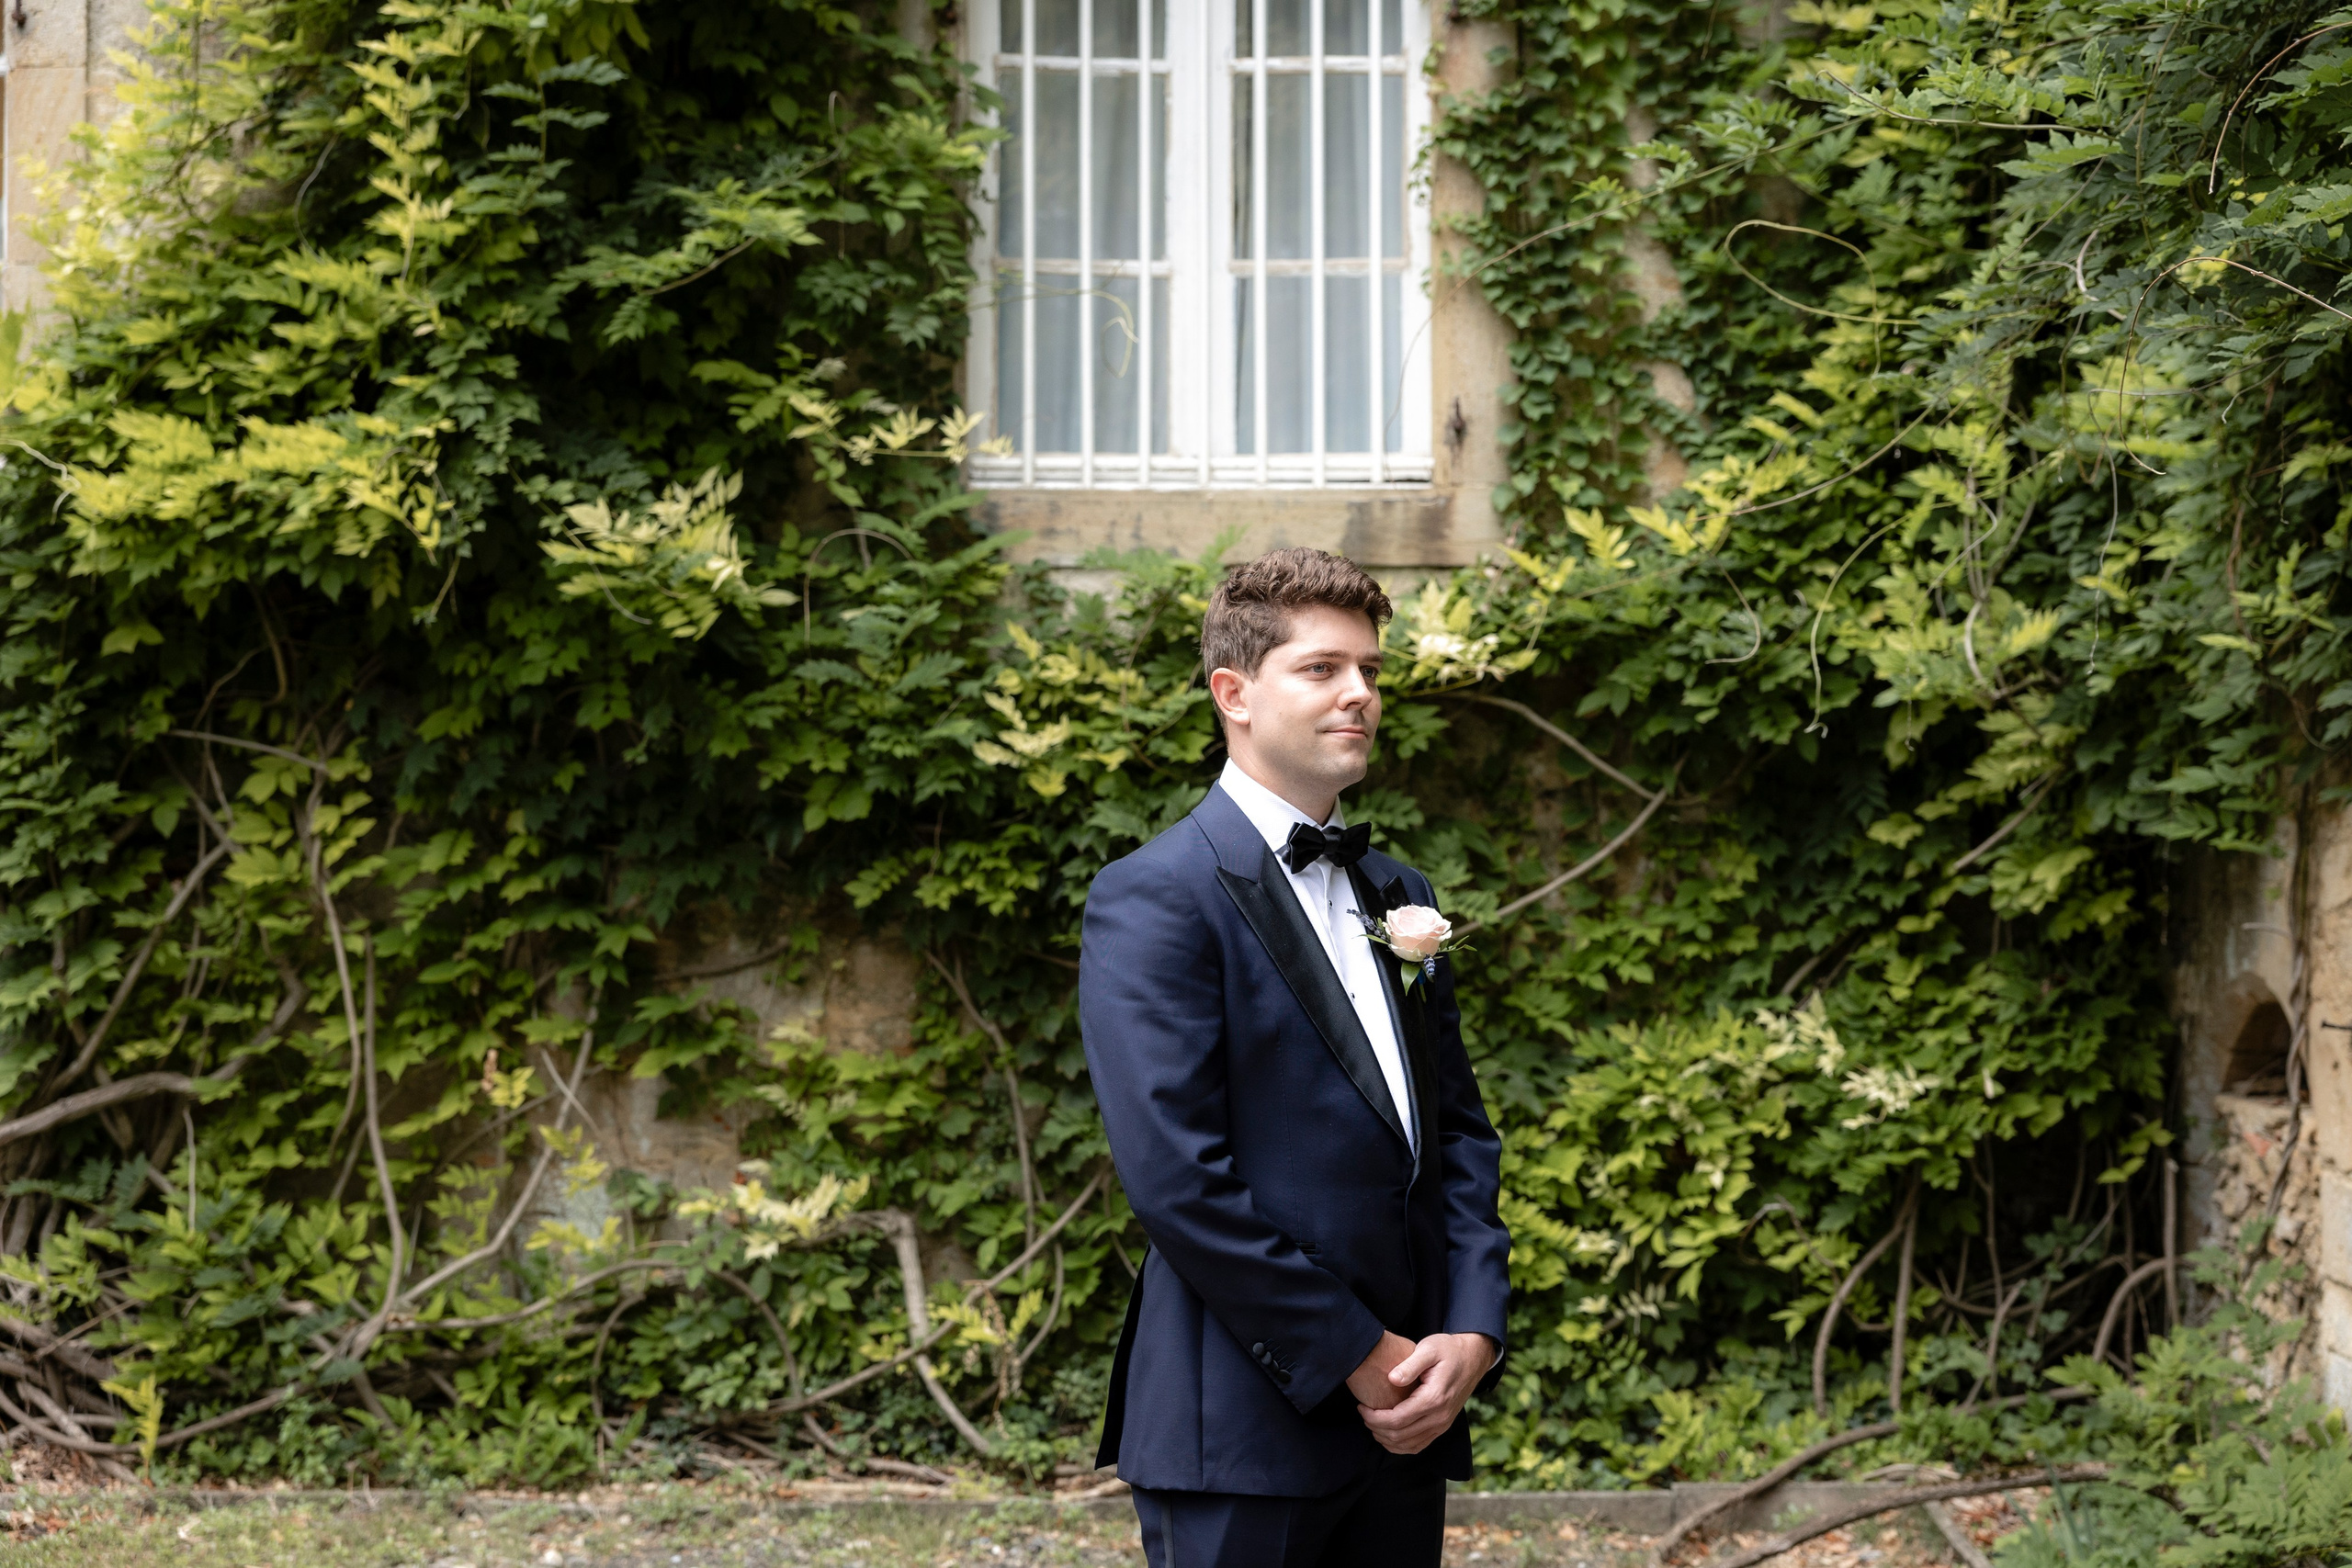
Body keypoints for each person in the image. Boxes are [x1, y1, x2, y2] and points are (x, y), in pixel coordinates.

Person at [1080, 547, 1512, 1568]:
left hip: (1408, 1421)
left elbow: (1454, 1133)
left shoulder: (1394, 890)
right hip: (1240, 1429)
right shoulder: (1158, 894)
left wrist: (1470, 1329)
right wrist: (1361, 1357)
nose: (1358, 692)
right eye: (1320, 669)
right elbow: (1178, 1181)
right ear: (1232, 692)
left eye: (1369, 669)